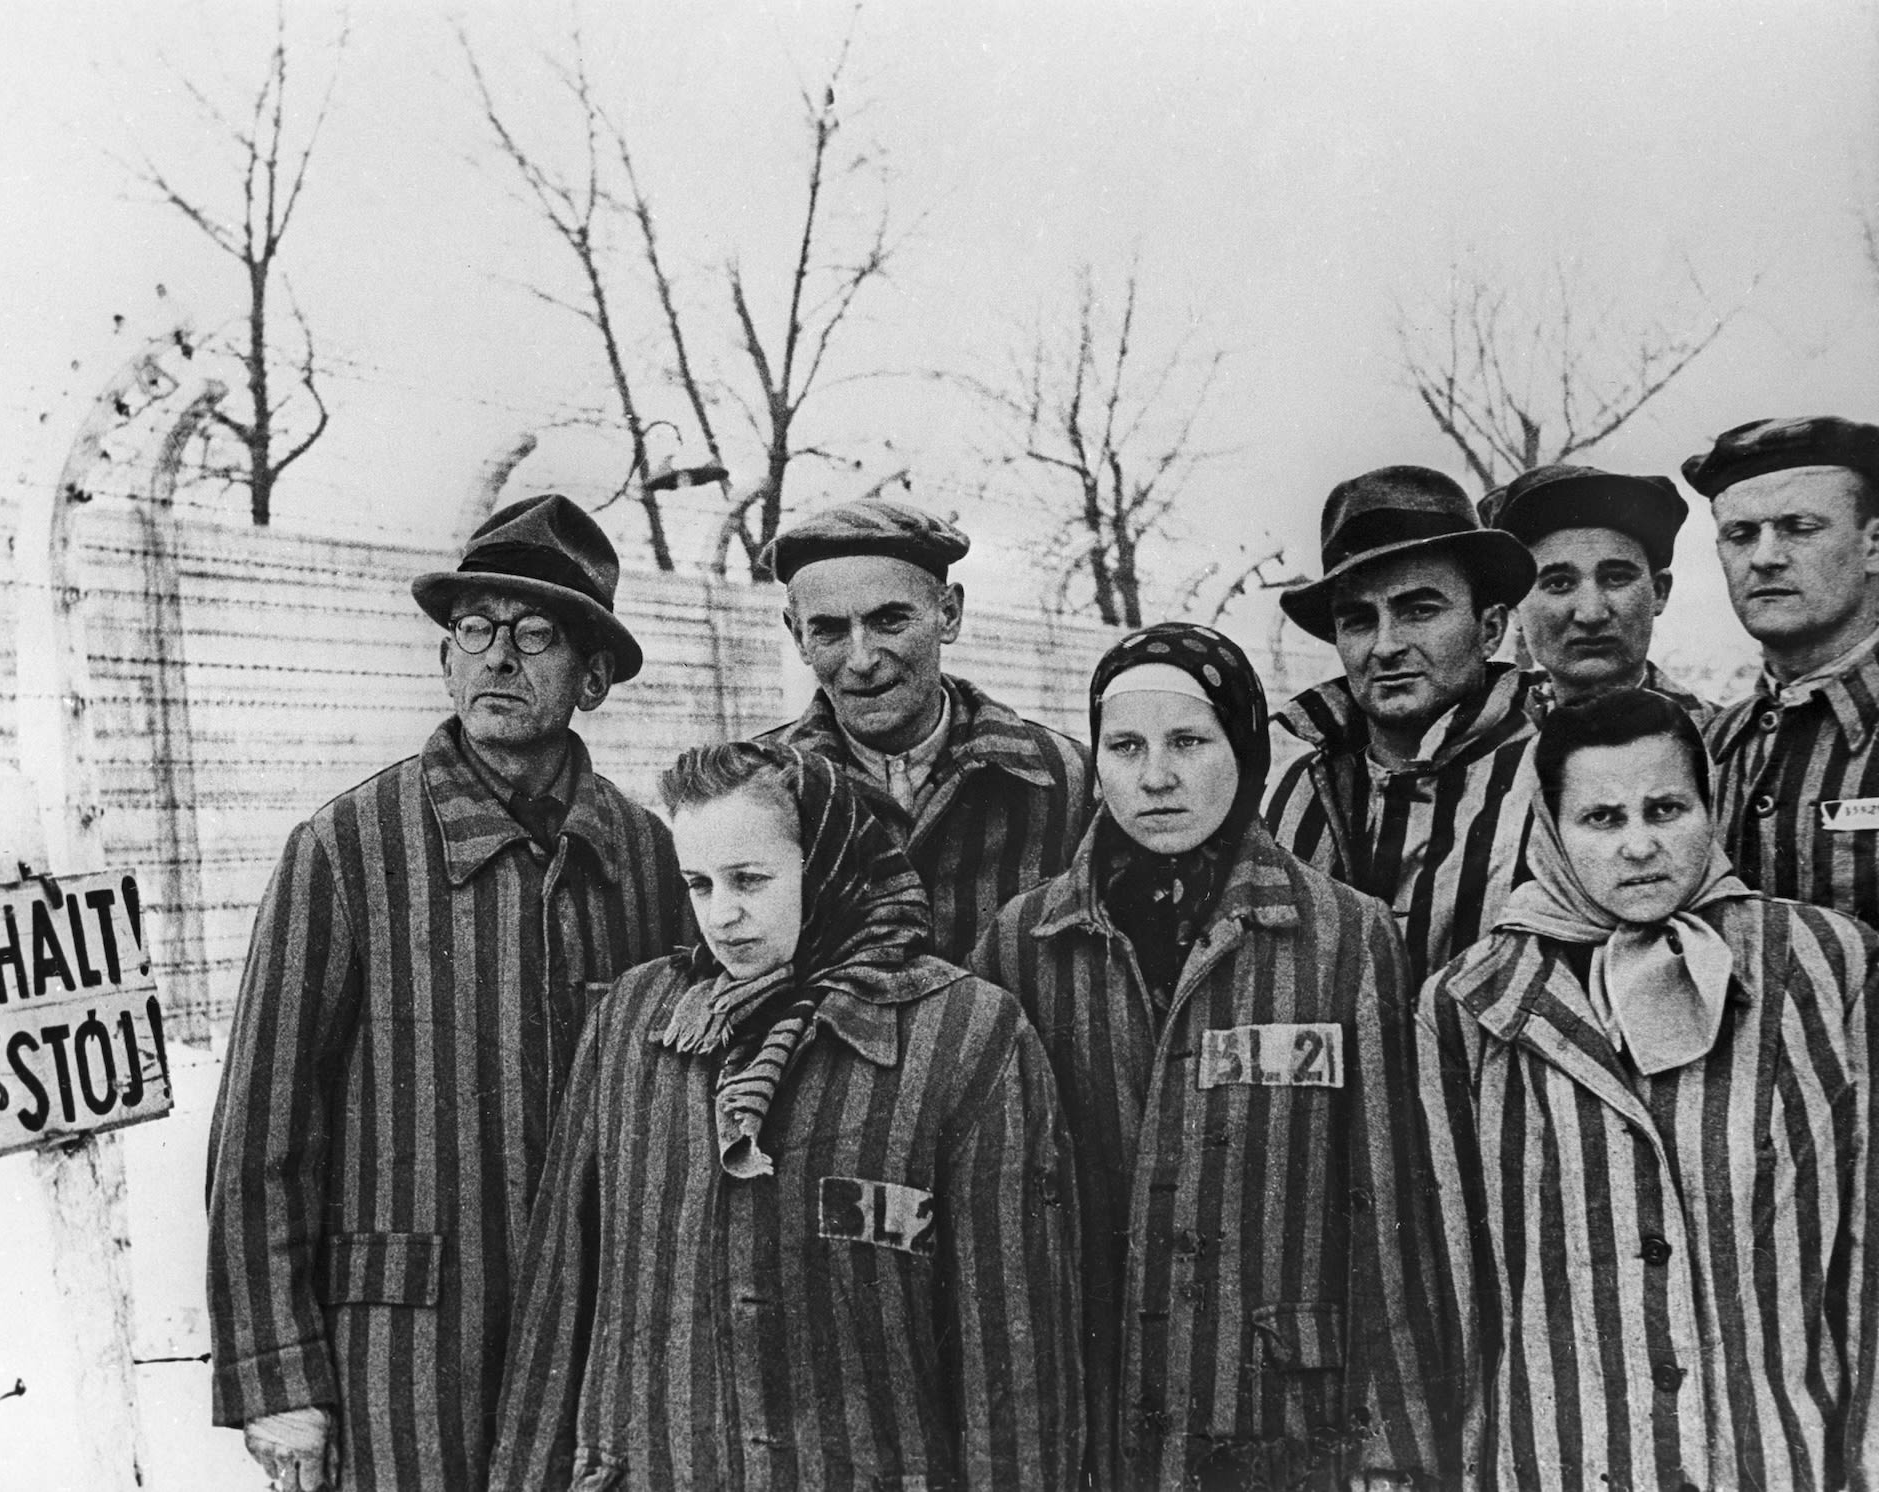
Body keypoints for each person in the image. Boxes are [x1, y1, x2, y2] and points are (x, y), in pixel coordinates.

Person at [206, 495, 685, 1492]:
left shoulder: (647, 860)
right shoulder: (346, 850)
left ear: (593, 675)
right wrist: (278, 1378)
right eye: (475, 629)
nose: (498, 656)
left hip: (593, 1364)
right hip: (402, 1376)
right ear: (444, 660)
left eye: (537, 633)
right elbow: (262, 1130)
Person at [489, 741, 1083, 1490]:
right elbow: (559, 1298)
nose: (723, 916)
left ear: (828, 865)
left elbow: (1014, 1352)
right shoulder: (638, 1021)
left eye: (751, 880)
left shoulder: (965, 1035)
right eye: (699, 885)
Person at [974, 623, 1451, 1490]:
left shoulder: (1345, 935)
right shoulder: (1025, 942)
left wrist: (1399, 1454)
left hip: (1279, 1414)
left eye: (1189, 741)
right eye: (1125, 746)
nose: (1155, 776)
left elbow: (1388, 1204)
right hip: (1098, 1401)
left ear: (1245, 747)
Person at [1418, 690, 1879, 1489]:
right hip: (1562, 1460)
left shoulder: (1823, 966)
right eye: (1602, 819)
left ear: (1710, 807)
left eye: (1666, 809)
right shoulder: (1472, 1004)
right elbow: (1453, 1287)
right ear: (1552, 831)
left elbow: (1868, 1249)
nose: (1639, 846)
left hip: (1775, 1456)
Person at [761, 497, 1091, 962]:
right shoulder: (757, 786)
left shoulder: (1067, 778)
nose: (861, 660)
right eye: (830, 631)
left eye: (889, 621)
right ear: (798, 637)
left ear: (949, 615)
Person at [1266, 465, 1540, 981]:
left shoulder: (1551, 775)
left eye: (1419, 610)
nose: (1386, 645)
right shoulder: (1293, 791)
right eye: (1359, 620)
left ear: (1490, 630)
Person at [1685, 415, 1879, 927]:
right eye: (1741, 534)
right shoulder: (1708, 748)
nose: (1765, 557)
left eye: (1800, 528)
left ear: (1874, 546)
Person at [1478, 463, 1711, 721]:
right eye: (1558, 584)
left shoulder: (1719, 746)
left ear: (1659, 592)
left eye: (1616, 578)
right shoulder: (1477, 748)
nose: (1591, 614)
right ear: (1515, 609)